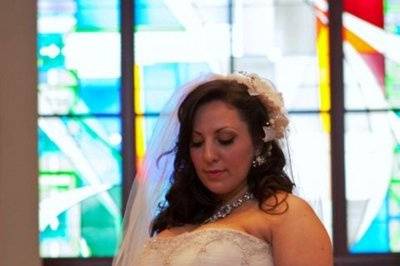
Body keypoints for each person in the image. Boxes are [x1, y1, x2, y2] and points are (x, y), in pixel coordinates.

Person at [113, 72, 333, 266]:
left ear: (257, 143)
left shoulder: (286, 213)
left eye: (225, 140)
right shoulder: (177, 218)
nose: (208, 156)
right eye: (197, 142)